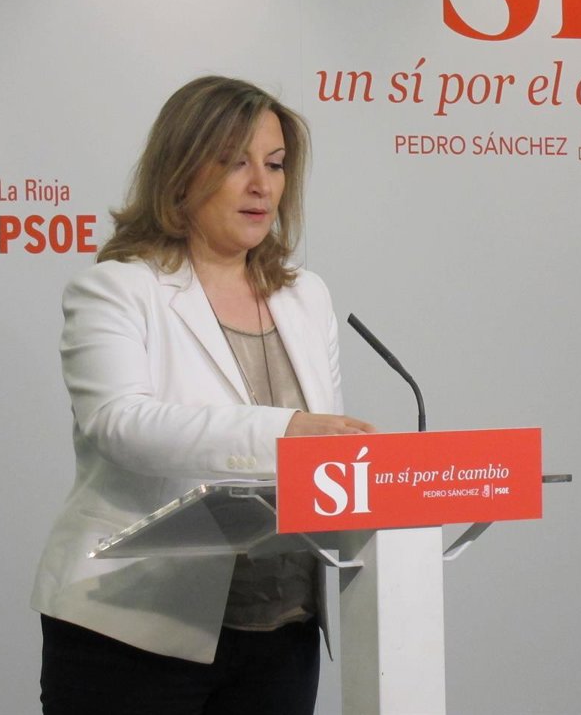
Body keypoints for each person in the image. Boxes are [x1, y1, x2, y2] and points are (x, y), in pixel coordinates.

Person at [32, 76, 375, 715]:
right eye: (236, 162)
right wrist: (286, 431)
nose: (262, 185)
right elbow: (120, 424)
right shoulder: (117, 289)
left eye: (275, 164)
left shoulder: (306, 296)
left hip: (283, 628)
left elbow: (316, 458)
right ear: (183, 171)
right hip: (134, 625)